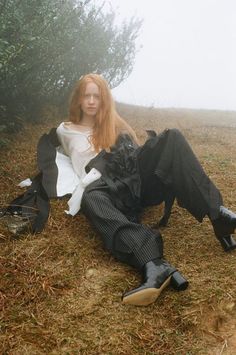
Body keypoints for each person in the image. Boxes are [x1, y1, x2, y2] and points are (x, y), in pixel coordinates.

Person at [4, 73, 236, 306]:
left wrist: (113, 119)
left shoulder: (111, 123)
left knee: (172, 137)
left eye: (98, 96)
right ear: (78, 99)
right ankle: (154, 264)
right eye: (87, 96)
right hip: (104, 183)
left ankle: (218, 214)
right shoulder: (65, 129)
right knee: (91, 198)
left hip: (133, 177)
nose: (92, 101)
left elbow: (134, 146)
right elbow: (61, 157)